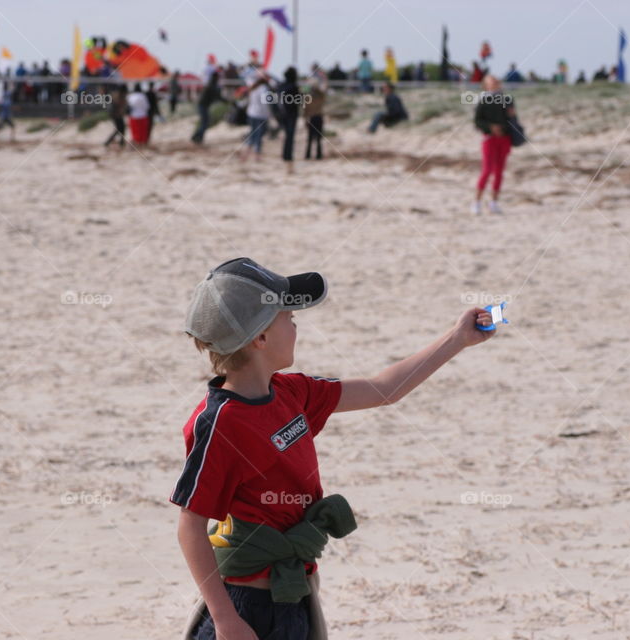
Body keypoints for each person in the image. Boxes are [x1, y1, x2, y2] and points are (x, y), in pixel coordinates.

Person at [173, 257, 497, 640]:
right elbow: (190, 526)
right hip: (247, 605)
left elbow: (383, 389)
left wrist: (457, 338)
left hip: (297, 593)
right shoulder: (219, 422)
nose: (294, 322)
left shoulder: (292, 392)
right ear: (259, 338)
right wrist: (225, 620)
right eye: (286, 316)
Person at [472, 74, 514, 215]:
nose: (495, 83)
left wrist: (510, 116)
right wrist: (491, 128)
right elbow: (477, 121)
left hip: (504, 138)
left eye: (496, 81)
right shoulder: (482, 100)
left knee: (499, 172)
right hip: (489, 139)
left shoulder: (506, 99)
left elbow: (512, 119)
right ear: (486, 85)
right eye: (492, 81)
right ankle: (476, 202)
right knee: (487, 170)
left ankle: (494, 203)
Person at [240, 73, 271, 161]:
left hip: (251, 113)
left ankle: (246, 154)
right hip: (260, 115)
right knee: (258, 136)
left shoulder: (253, 88)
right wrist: (269, 115)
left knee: (253, 134)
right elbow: (265, 104)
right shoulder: (263, 89)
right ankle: (257, 155)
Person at [277, 67, 301, 173]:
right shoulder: (293, 86)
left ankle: (285, 154)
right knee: (290, 136)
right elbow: (298, 101)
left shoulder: (281, 86)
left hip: (282, 114)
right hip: (291, 114)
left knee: (286, 135)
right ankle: (288, 155)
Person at [192, 71, 224, 145]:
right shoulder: (212, 86)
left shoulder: (210, 85)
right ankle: (197, 137)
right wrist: (228, 101)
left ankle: (197, 137)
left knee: (204, 122)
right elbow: (219, 97)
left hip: (203, 105)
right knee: (205, 123)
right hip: (203, 106)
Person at [303, 78, 325, 160]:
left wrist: (305, 120)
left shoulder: (308, 97)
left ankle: (308, 155)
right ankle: (318, 155)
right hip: (318, 117)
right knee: (318, 138)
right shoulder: (320, 95)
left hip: (312, 118)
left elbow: (305, 110)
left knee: (310, 138)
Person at [104, 83, 129, 149]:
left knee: (120, 129)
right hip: (117, 115)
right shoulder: (121, 97)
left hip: (115, 115)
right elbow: (119, 107)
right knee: (120, 129)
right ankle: (110, 142)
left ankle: (120, 142)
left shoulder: (116, 95)